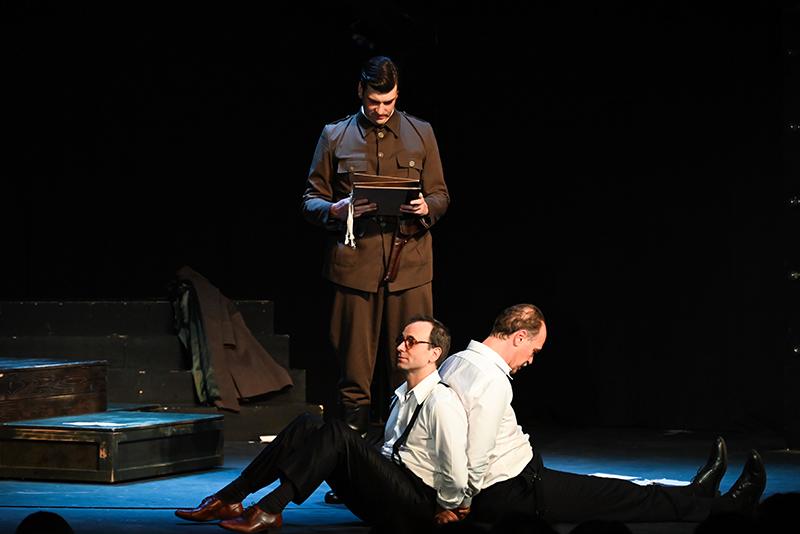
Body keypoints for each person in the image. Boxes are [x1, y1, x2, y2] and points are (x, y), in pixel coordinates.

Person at [438, 303, 768, 526]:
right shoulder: (492, 380)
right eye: (533, 351)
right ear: (519, 336)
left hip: (520, 479)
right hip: (514, 490)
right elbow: (476, 455)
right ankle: (728, 508)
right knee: (621, 498)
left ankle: (696, 492)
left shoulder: (455, 362)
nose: (531, 360)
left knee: (619, 492)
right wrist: (460, 502)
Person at [175, 315, 469, 533]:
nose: (401, 347)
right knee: (308, 424)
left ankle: (270, 508)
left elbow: (456, 470)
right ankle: (229, 498)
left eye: (411, 342)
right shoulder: (402, 394)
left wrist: (448, 506)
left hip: (413, 508)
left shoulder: (441, 401)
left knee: (338, 433)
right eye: (400, 340)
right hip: (385, 494)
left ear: (434, 353)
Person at [301, 55, 450, 435]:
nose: (381, 110)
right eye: (373, 102)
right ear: (360, 92)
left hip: (410, 265)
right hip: (355, 265)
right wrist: (334, 209)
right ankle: (352, 452)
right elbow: (311, 199)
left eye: (389, 101)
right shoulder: (335, 135)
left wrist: (427, 207)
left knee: (413, 361)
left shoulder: (421, 133)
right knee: (353, 369)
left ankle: (406, 450)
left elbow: (440, 194)